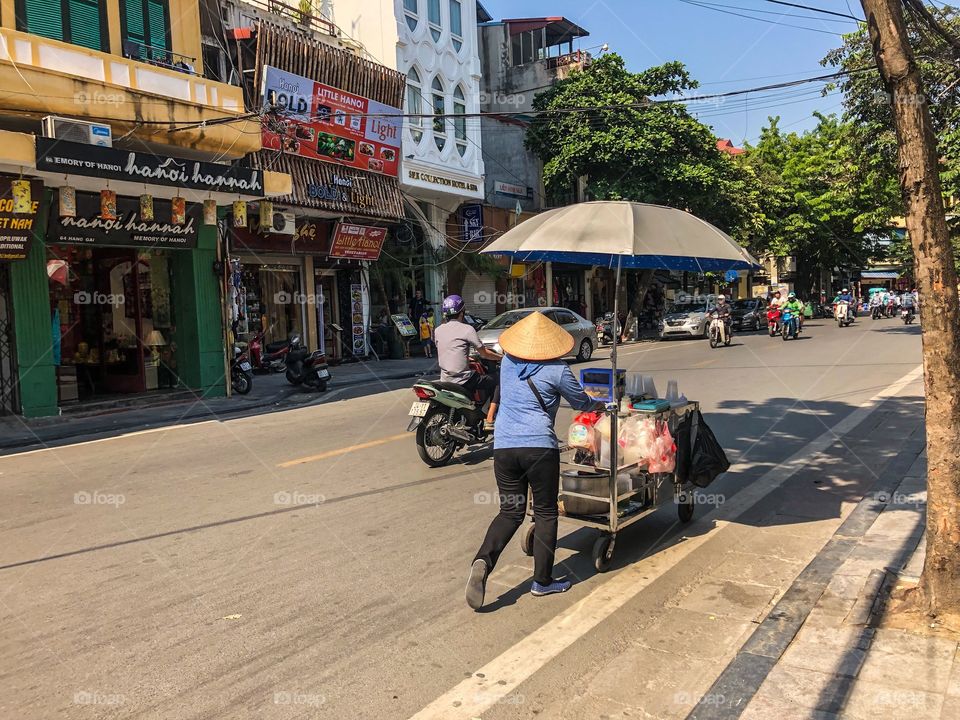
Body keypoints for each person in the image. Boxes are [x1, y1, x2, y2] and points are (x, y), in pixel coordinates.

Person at [465, 311, 602, 609]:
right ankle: (542, 581)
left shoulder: (508, 365)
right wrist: (601, 404)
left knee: (510, 512)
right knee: (545, 512)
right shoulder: (558, 370)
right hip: (539, 448)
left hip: (503, 448)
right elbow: (581, 402)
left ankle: (483, 561)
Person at [434, 294, 501, 430]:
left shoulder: (438, 330)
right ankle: (489, 418)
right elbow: (484, 353)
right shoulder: (467, 329)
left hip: (445, 378)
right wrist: (501, 358)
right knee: (498, 380)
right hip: (462, 379)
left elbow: (448, 349)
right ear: (462, 312)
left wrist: (466, 358)